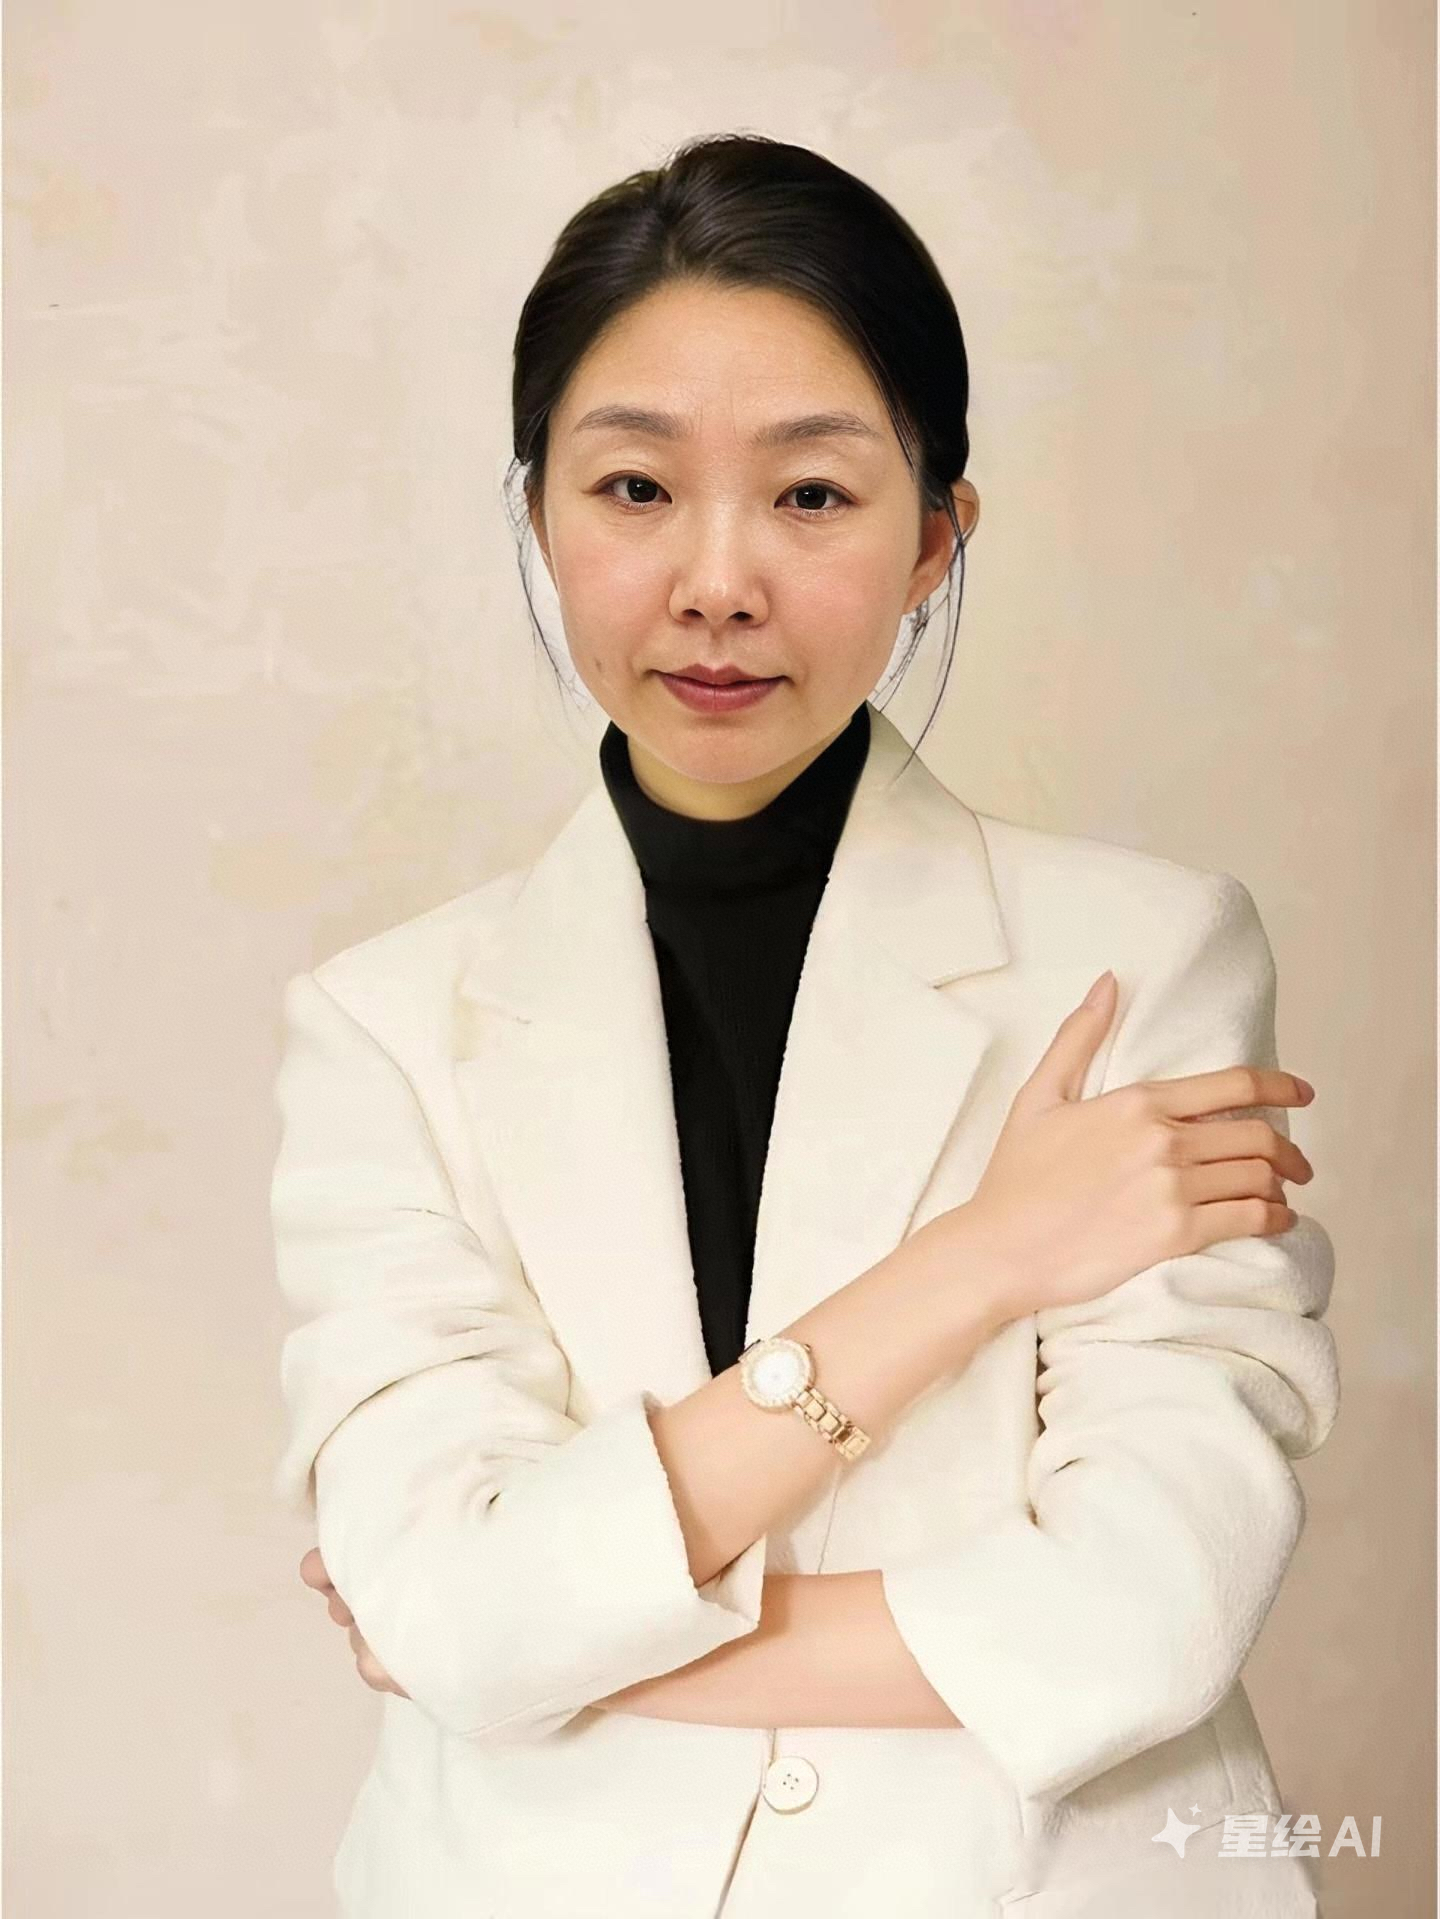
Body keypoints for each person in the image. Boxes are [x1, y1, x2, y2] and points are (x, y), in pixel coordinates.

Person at [271, 133, 1340, 1917]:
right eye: (635, 488)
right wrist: (989, 1257)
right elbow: (446, 1610)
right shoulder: (380, 1028)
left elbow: (1148, 1614)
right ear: (537, 514)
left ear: (934, 539)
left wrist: (530, 1642)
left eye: (814, 496)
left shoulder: (1144, 959)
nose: (718, 583)